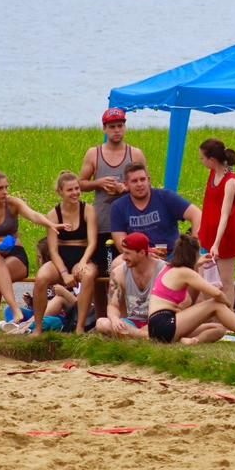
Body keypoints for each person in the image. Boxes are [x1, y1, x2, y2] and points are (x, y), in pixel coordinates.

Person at [0, 165, 68, 340]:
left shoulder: (13, 204)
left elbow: (33, 214)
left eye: (6, 187)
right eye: (0, 188)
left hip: (14, 255)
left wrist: (50, 224)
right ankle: (14, 308)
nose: (5, 192)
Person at [78, 107, 147, 319]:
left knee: (129, 269)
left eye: (120, 126)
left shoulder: (134, 153)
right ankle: (101, 318)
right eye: (112, 127)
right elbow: (80, 183)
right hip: (102, 221)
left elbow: (145, 182)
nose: (117, 130)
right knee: (101, 273)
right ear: (105, 129)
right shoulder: (94, 153)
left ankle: (128, 317)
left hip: (130, 222)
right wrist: (99, 182)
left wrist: (126, 188)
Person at [147, 233, 235, 345]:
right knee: (215, 304)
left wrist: (197, 263)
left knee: (219, 329)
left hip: (157, 328)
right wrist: (229, 307)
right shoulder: (185, 272)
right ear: (194, 255)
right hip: (165, 324)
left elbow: (187, 302)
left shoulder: (167, 268)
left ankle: (193, 341)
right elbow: (217, 294)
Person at [31, 171, 98, 335]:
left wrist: (83, 262)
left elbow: (93, 242)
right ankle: (37, 327)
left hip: (83, 255)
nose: (75, 193)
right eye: (70, 190)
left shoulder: (88, 210)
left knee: (88, 275)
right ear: (60, 191)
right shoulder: (53, 214)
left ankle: (80, 327)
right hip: (61, 257)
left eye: (77, 189)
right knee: (41, 278)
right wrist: (63, 273)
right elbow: (52, 249)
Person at [110, 162, 201, 255]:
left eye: (142, 179)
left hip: (171, 256)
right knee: (116, 264)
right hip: (138, 257)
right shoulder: (118, 207)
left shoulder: (166, 197)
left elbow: (197, 215)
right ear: (126, 184)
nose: (139, 184)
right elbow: (121, 245)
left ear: (148, 180)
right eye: (134, 181)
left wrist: (194, 248)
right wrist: (147, 253)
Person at [197, 138, 235, 308]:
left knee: (225, 281)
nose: (201, 161)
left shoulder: (230, 180)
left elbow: (225, 215)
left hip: (224, 237)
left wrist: (216, 243)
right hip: (208, 234)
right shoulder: (213, 173)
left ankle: (228, 317)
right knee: (205, 281)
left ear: (212, 159)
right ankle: (211, 316)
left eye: (202, 158)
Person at [95, 232, 165, 338]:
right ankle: (147, 336)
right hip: (132, 323)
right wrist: (115, 320)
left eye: (127, 253)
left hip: (157, 320)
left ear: (142, 253)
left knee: (172, 324)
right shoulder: (118, 272)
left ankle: (136, 335)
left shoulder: (163, 270)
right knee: (102, 323)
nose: (123, 257)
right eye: (123, 252)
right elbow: (112, 305)